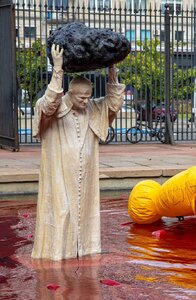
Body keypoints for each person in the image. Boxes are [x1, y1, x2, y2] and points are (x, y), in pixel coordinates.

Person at [31, 44, 125, 260]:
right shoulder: (52, 109)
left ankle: (84, 250)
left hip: (85, 175)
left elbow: (113, 103)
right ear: (69, 93)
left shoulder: (92, 108)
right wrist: (57, 70)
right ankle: (57, 254)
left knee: (85, 213)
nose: (85, 101)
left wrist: (112, 71)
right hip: (60, 174)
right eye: (81, 97)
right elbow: (48, 104)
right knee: (61, 211)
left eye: (88, 96)